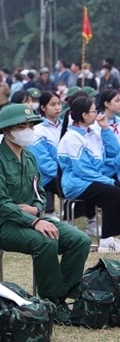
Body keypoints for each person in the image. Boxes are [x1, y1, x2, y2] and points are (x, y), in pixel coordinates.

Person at [0, 104, 90, 323]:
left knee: (80, 240)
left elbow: (40, 194)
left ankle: (63, 295)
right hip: (1, 225)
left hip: (31, 219)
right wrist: (34, 220)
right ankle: (51, 301)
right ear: (7, 130)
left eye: (30, 125)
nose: (28, 130)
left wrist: (36, 209)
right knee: (45, 241)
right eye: (21, 126)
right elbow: (0, 205)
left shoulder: (29, 158)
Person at [58, 95, 120, 252]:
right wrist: (109, 181)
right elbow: (83, 170)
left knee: (113, 188)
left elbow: (113, 152)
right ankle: (106, 240)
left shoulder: (93, 133)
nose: (97, 113)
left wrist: (105, 129)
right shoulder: (72, 138)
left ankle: (110, 236)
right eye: (94, 111)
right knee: (112, 192)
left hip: (91, 179)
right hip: (76, 183)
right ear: (84, 115)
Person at [29, 92, 63, 217]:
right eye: (53, 104)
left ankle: (86, 218)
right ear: (43, 108)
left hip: (61, 172)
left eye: (59, 104)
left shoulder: (64, 125)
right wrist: (62, 173)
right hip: (46, 175)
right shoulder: (38, 128)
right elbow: (42, 161)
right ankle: (50, 213)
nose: (57, 107)